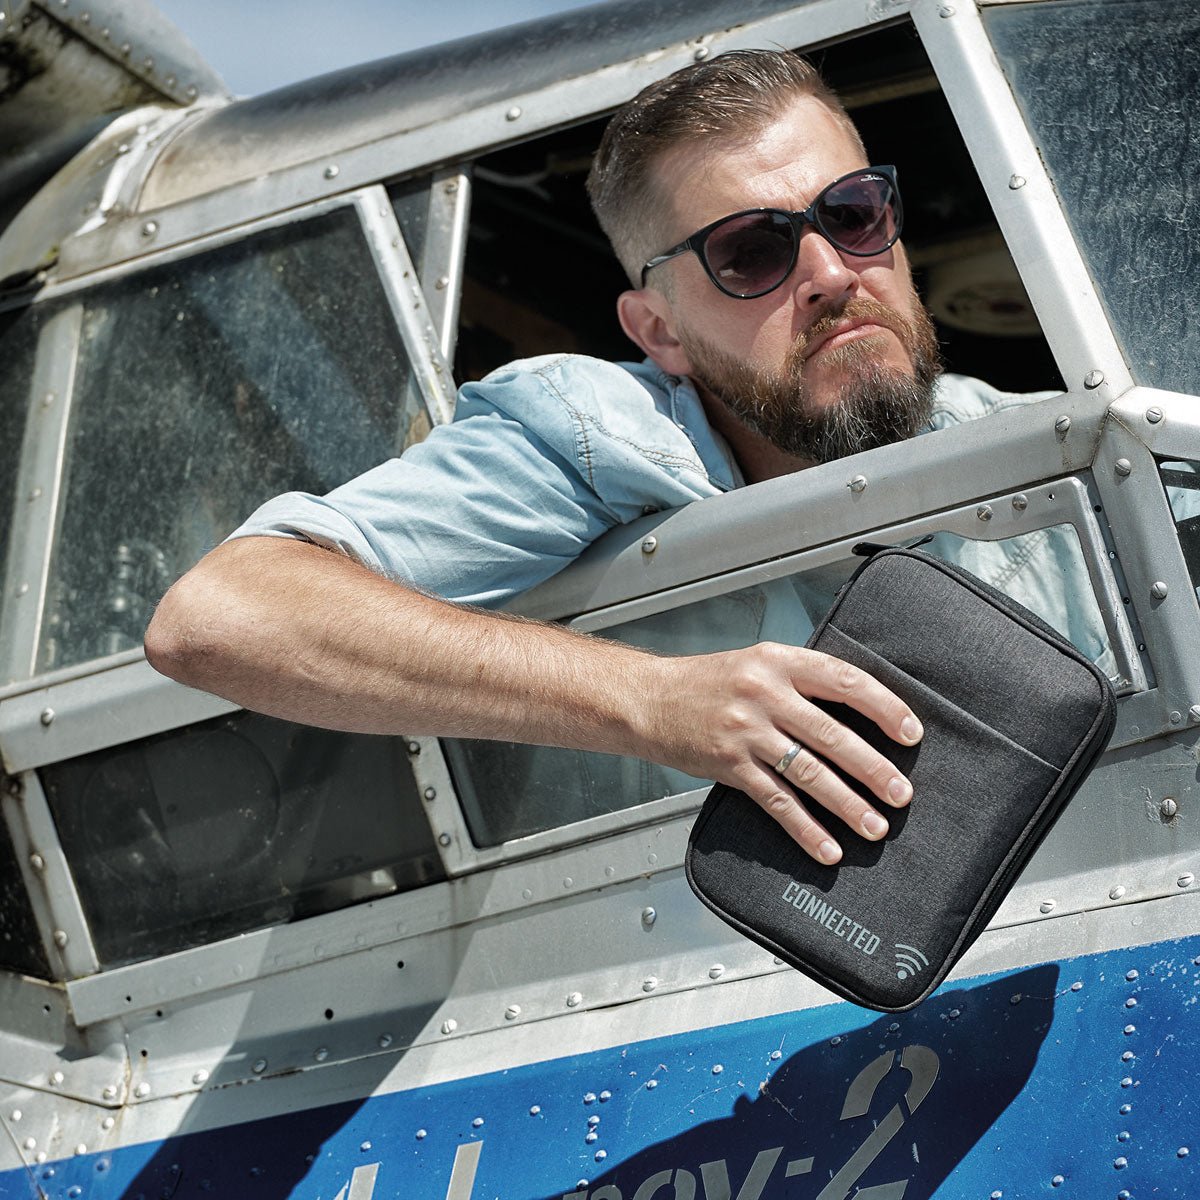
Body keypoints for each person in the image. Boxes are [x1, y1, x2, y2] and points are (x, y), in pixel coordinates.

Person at [145, 50, 1066, 867]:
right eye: (753, 252)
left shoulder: (1054, 448)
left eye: (855, 213)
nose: (830, 272)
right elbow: (221, 614)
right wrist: (656, 701)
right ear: (659, 332)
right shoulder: (596, 436)